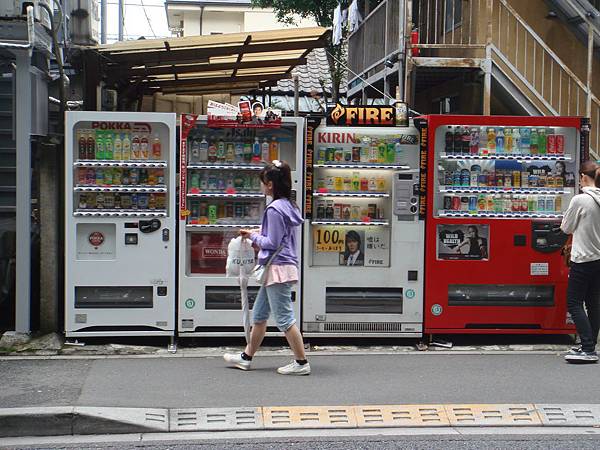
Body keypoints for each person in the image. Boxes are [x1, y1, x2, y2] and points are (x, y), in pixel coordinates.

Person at [224, 160, 310, 375]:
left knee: (285, 319)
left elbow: (271, 242)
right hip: (280, 266)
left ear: (270, 184)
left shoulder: (273, 209)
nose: (262, 186)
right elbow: (278, 236)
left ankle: (301, 363)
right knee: (260, 315)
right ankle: (246, 357)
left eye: (263, 182)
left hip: (277, 269)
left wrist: (253, 236)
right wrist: (254, 233)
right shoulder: (288, 205)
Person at [561, 160, 600, 363]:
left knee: (574, 303)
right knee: (594, 304)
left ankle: (587, 349)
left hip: (583, 258)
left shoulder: (580, 200)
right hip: (598, 258)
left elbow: (566, 228)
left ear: (584, 177)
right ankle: (591, 344)